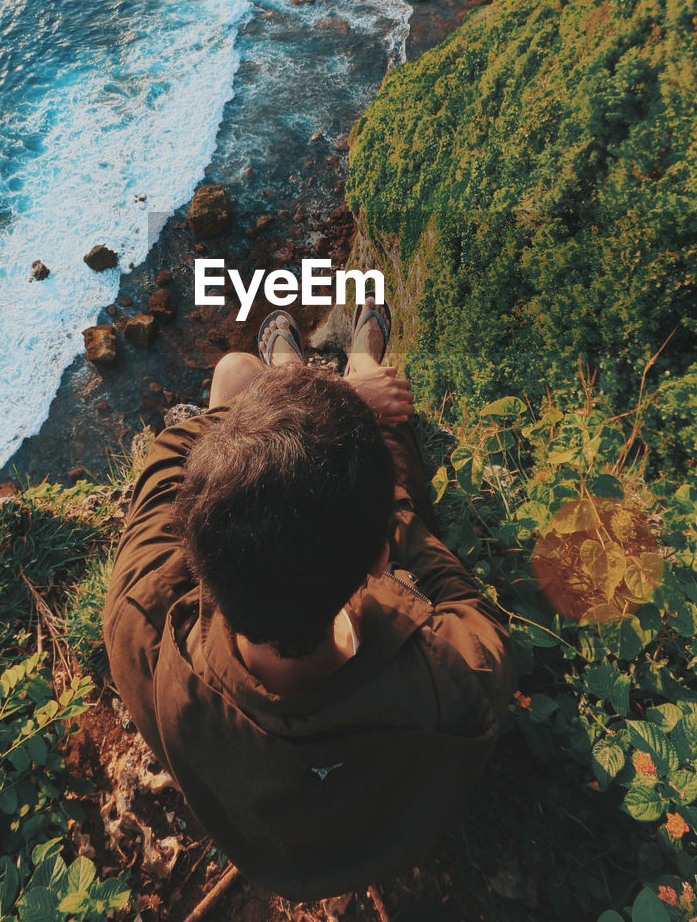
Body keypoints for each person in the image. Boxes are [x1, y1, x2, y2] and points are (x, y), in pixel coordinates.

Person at [103, 301, 512, 900]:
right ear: (377, 561)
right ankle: (360, 362)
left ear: (200, 555)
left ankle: (291, 366)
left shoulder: (141, 632)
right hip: (389, 837)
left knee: (235, 374)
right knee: (378, 435)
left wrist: (277, 421)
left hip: (268, 859)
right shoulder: (457, 675)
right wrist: (356, 424)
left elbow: (168, 469)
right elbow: (454, 591)